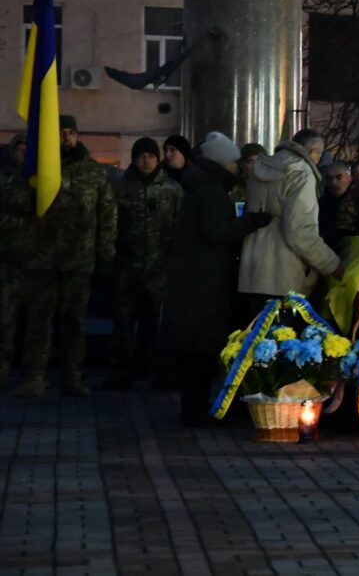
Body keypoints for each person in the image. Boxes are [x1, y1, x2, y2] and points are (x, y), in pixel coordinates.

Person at [161, 131, 272, 427]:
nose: (238, 167)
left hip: (195, 283)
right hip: (204, 285)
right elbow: (215, 232)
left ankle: (193, 410)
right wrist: (251, 222)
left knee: (195, 354)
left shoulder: (200, 187)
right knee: (200, 353)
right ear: (222, 162)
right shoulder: (212, 191)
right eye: (235, 161)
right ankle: (196, 413)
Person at [15, 115, 117, 398]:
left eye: (71, 132)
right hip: (42, 259)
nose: (67, 138)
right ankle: (34, 376)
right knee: (38, 321)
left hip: (78, 260)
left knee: (74, 322)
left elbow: (107, 216)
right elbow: (20, 206)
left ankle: (72, 377)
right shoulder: (37, 170)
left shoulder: (94, 173)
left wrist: (105, 255)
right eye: (61, 133)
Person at [103, 137, 184, 390]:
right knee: (124, 322)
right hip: (128, 266)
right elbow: (109, 224)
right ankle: (120, 371)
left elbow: (180, 226)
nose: (146, 161)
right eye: (141, 156)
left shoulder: (172, 189)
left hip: (161, 268)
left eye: (150, 156)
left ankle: (161, 372)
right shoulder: (120, 187)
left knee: (160, 325)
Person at [238, 129, 345, 314]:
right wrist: (333, 265)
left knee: (256, 339)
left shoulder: (261, 168)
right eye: (319, 155)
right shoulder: (301, 172)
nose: (319, 160)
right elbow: (300, 231)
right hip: (285, 276)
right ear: (312, 152)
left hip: (252, 272)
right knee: (285, 340)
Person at [0, 134, 32, 387]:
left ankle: (32, 371)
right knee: (6, 319)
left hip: (39, 263)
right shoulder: (4, 181)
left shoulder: (42, 181)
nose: (23, 154)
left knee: (36, 321)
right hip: (9, 261)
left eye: (27, 150)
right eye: (19, 150)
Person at [318, 161, 352, 250]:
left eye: (339, 177)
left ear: (349, 179)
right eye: (329, 178)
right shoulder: (320, 205)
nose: (334, 182)